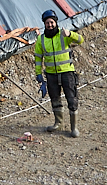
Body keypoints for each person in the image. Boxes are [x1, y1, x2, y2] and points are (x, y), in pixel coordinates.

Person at [34, 9, 84, 137]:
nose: (50, 25)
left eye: (51, 22)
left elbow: (80, 40)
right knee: (55, 98)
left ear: (56, 22)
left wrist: (70, 34)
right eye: (47, 23)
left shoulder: (63, 35)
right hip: (51, 74)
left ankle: (74, 128)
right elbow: (38, 57)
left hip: (67, 72)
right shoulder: (41, 39)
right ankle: (58, 123)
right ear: (44, 25)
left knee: (71, 99)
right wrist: (38, 73)